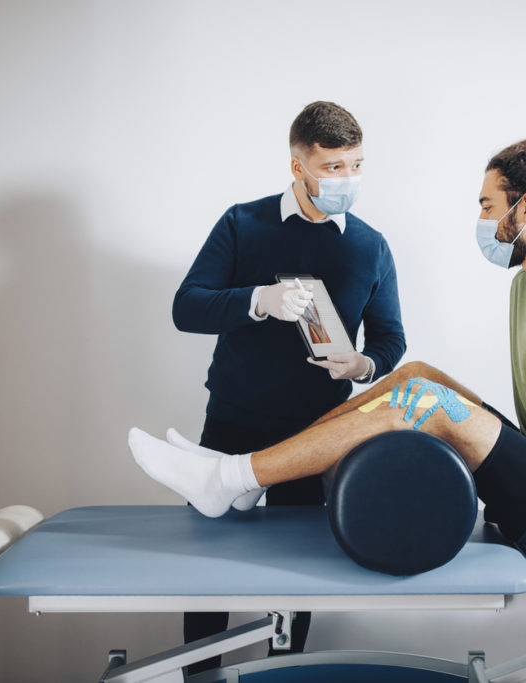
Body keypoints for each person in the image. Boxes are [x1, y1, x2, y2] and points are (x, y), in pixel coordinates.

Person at [139, 129, 526, 593]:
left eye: (489, 206)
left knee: (425, 404)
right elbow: (191, 306)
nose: (481, 220)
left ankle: (233, 478)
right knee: (417, 377)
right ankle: (247, 477)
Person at [169, 101, 406, 672]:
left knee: (298, 571)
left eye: (356, 165)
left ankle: (283, 672)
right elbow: (186, 307)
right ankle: (200, 676)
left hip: (316, 432)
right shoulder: (241, 223)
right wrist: (256, 300)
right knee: (210, 564)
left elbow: (392, 337)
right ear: (298, 166)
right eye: (333, 167)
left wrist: (363, 365)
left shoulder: (370, 246)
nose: (346, 180)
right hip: (232, 419)